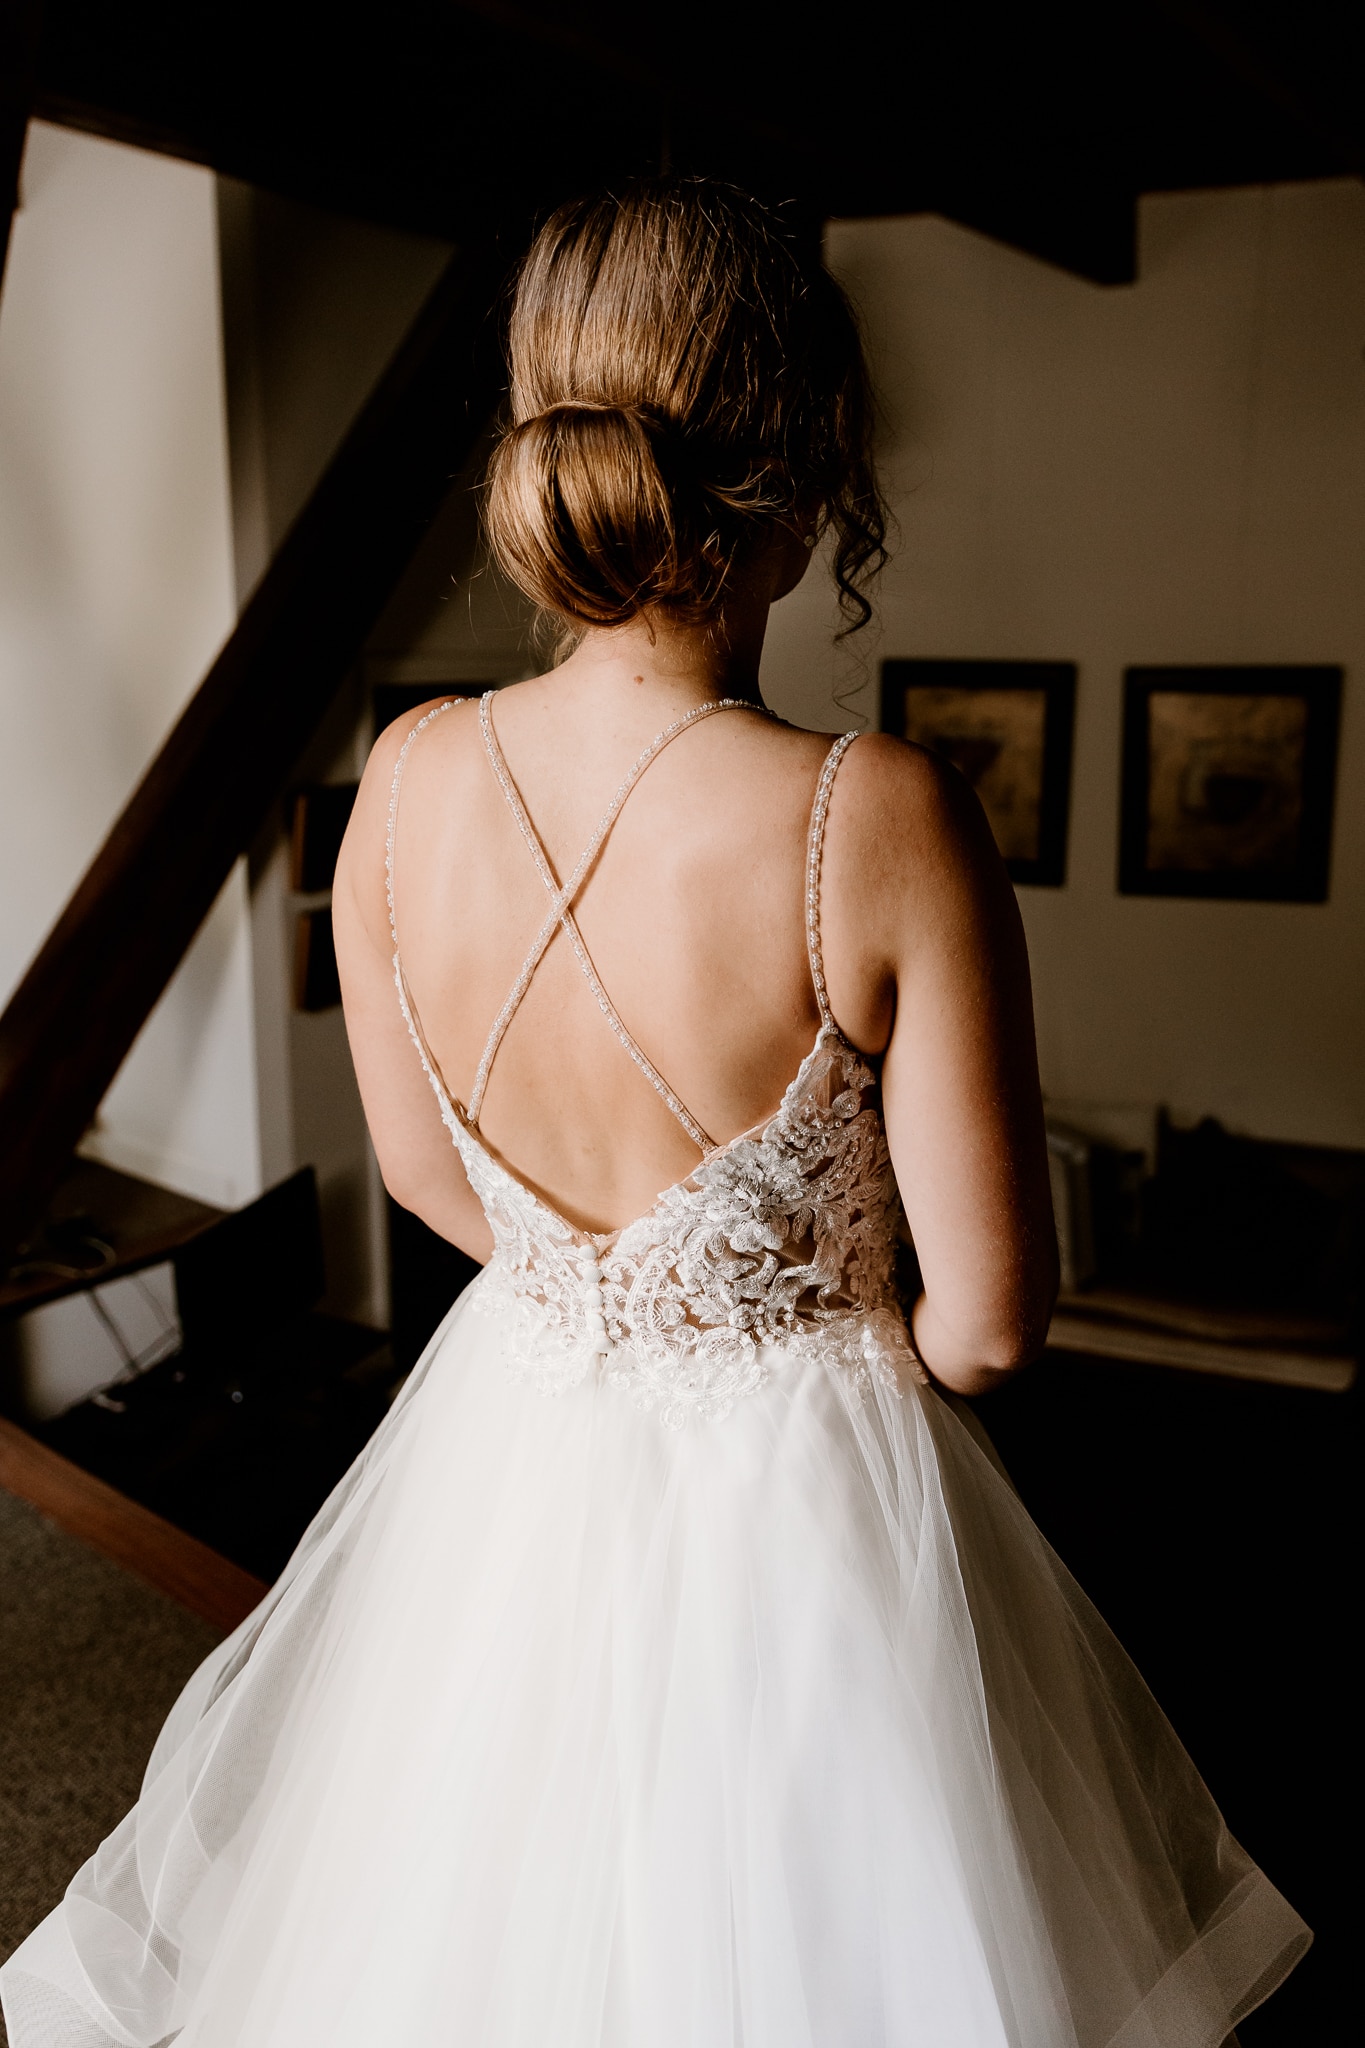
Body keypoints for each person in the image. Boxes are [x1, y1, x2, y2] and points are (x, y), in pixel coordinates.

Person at [0, 176, 1308, 2048]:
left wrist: (601, 1302)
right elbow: (993, 1326)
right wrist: (794, 1308)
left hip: (507, 1455)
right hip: (803, 1506)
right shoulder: (878, 818)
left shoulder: (409, 776)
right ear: (808, 479)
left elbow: (432, 1183)